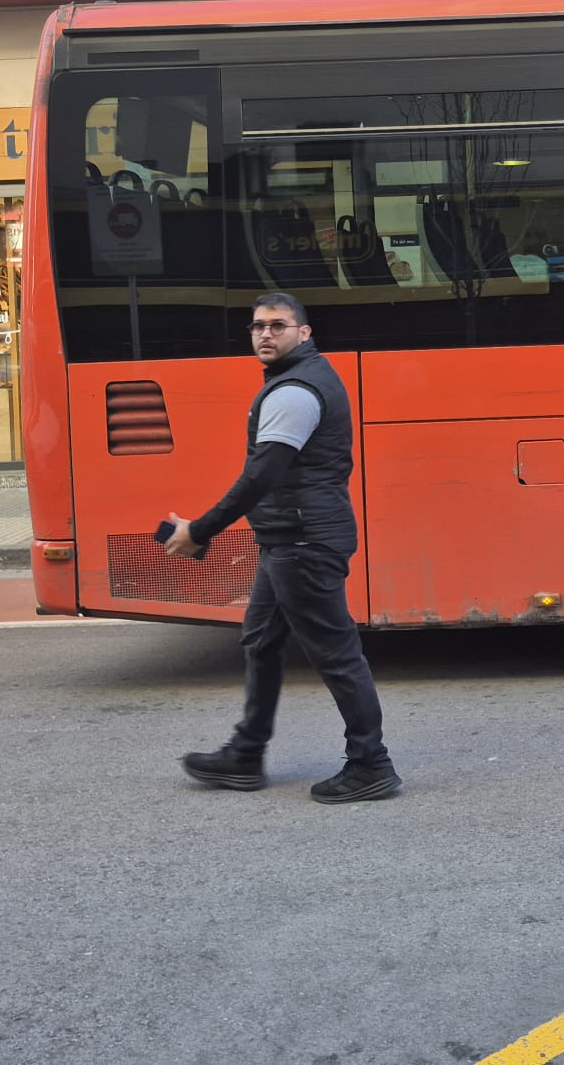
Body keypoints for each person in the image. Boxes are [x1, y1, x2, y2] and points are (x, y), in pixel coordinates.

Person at [165, 292, 400, 803]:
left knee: (337, 655)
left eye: (278, 326)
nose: (265, 335)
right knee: (261, 641)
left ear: (304, 333)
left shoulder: (294, 392)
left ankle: (370, 764)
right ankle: (246, 755)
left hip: (303, 541)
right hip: (288, 539)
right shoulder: (297, 380)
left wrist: (200, 530)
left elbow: (262, 475)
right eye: (257, 327)